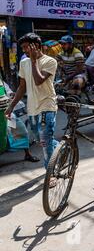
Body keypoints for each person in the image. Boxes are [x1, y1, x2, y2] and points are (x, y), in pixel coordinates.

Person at [4, 33, 58, 168]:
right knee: (41, 139)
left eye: (26, 47)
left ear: (36, 46)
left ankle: (50, 172)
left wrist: (34, 62)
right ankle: (59, 148)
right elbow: (22, 87)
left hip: (48, 105)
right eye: (22, 48)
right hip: (32, 107)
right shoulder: (23, 63)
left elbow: (39, 81)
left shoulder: (50, 61)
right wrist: (11, 106)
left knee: (45, 141)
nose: (24, 50)